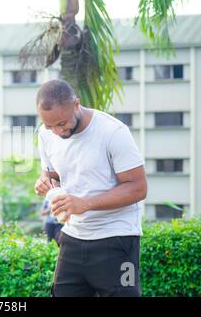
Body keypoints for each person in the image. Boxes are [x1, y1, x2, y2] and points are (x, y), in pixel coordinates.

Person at [34, 79, 147, 297]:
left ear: (76, 104)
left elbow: (138, 187)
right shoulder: (45, 134)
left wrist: (84, 204)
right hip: (73, 238)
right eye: (49, 125)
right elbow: (53, 174)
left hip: (119, 240)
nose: (57, 132)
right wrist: (45, 181)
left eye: (61, 123)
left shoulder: (113, 132)